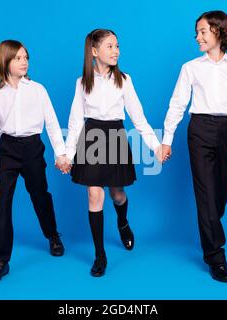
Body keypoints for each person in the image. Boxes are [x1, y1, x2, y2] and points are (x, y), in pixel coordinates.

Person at [58, 29, 162, 277]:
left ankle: (123, 222)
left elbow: (139, 118)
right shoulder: (82, 82)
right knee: (95, 196)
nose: (116, 51)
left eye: (117, 46)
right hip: (91, 137)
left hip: (115, 137)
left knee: (117, 195)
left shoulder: (124, 79)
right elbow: (75, 121)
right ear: (94, 51)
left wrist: (155, 146)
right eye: (110, 46)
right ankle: (100, 255)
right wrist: (67, 154)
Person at [161, 11, 227, 282]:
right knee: (205, 196)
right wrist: (166, 140)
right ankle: (216, 257)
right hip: (199, 130)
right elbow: (177, 104)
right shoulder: (191, 67)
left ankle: (213, 227)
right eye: (197, 32)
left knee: (220, 195)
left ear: (219, 31)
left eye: (203, 31)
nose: (197, 37)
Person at [0, 40, 67, 283]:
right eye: (18, 58)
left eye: (26, 58)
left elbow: (51, 122)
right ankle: (0, 261)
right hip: (7, 150)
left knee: (40, 194)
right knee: (2, 202)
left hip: (32, 147)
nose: (24, 62)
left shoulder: (38, 89)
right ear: (5, 61)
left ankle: (52, 235)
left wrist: (60, 153)